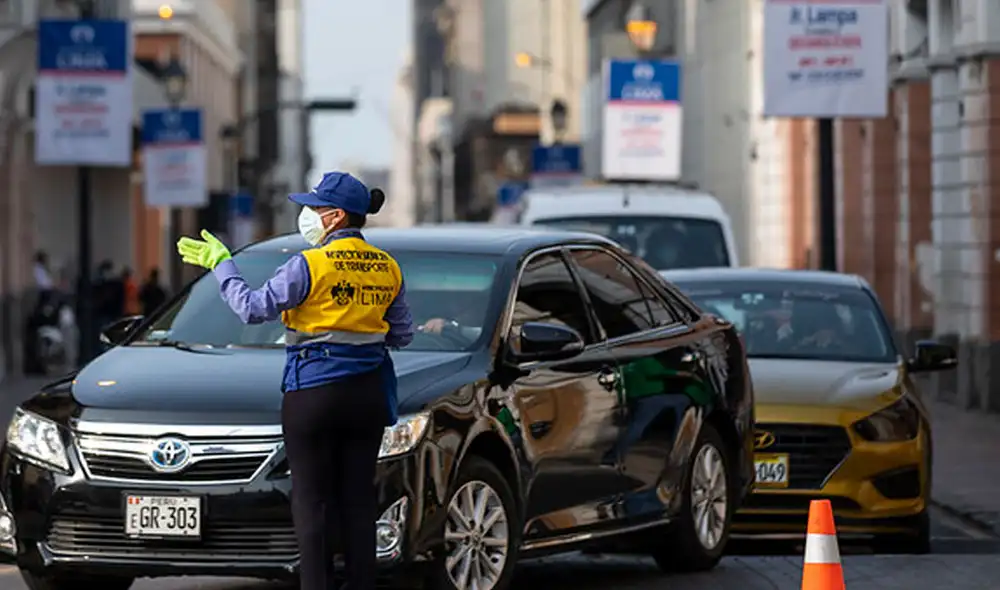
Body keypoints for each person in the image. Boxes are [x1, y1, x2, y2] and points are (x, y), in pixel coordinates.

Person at [175, 171, 413, 590]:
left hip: (314, 391)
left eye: (315, 209)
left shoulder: (309, 264)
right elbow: (403, 334)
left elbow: (251, 309)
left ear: (336, 216)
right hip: (368, 394)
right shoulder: (388, 267)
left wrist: (222, 265)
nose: (308, 216)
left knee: (311, 499)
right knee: (359, 499)